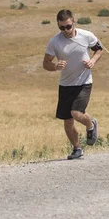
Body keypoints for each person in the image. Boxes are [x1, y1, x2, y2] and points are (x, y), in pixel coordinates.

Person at [43, 9, 104, 159]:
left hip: (84, 82)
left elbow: (99, 49)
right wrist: (55, 66)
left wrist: (92, 61)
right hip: (65, 84)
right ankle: (77, 149)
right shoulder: (55, 42)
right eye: (61, 27)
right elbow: (46, 63)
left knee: (76, 113)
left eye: (68, 26)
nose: (66, 30)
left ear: (74, 22)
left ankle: (90, 126)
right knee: (68, 122)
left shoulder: (86, 36)